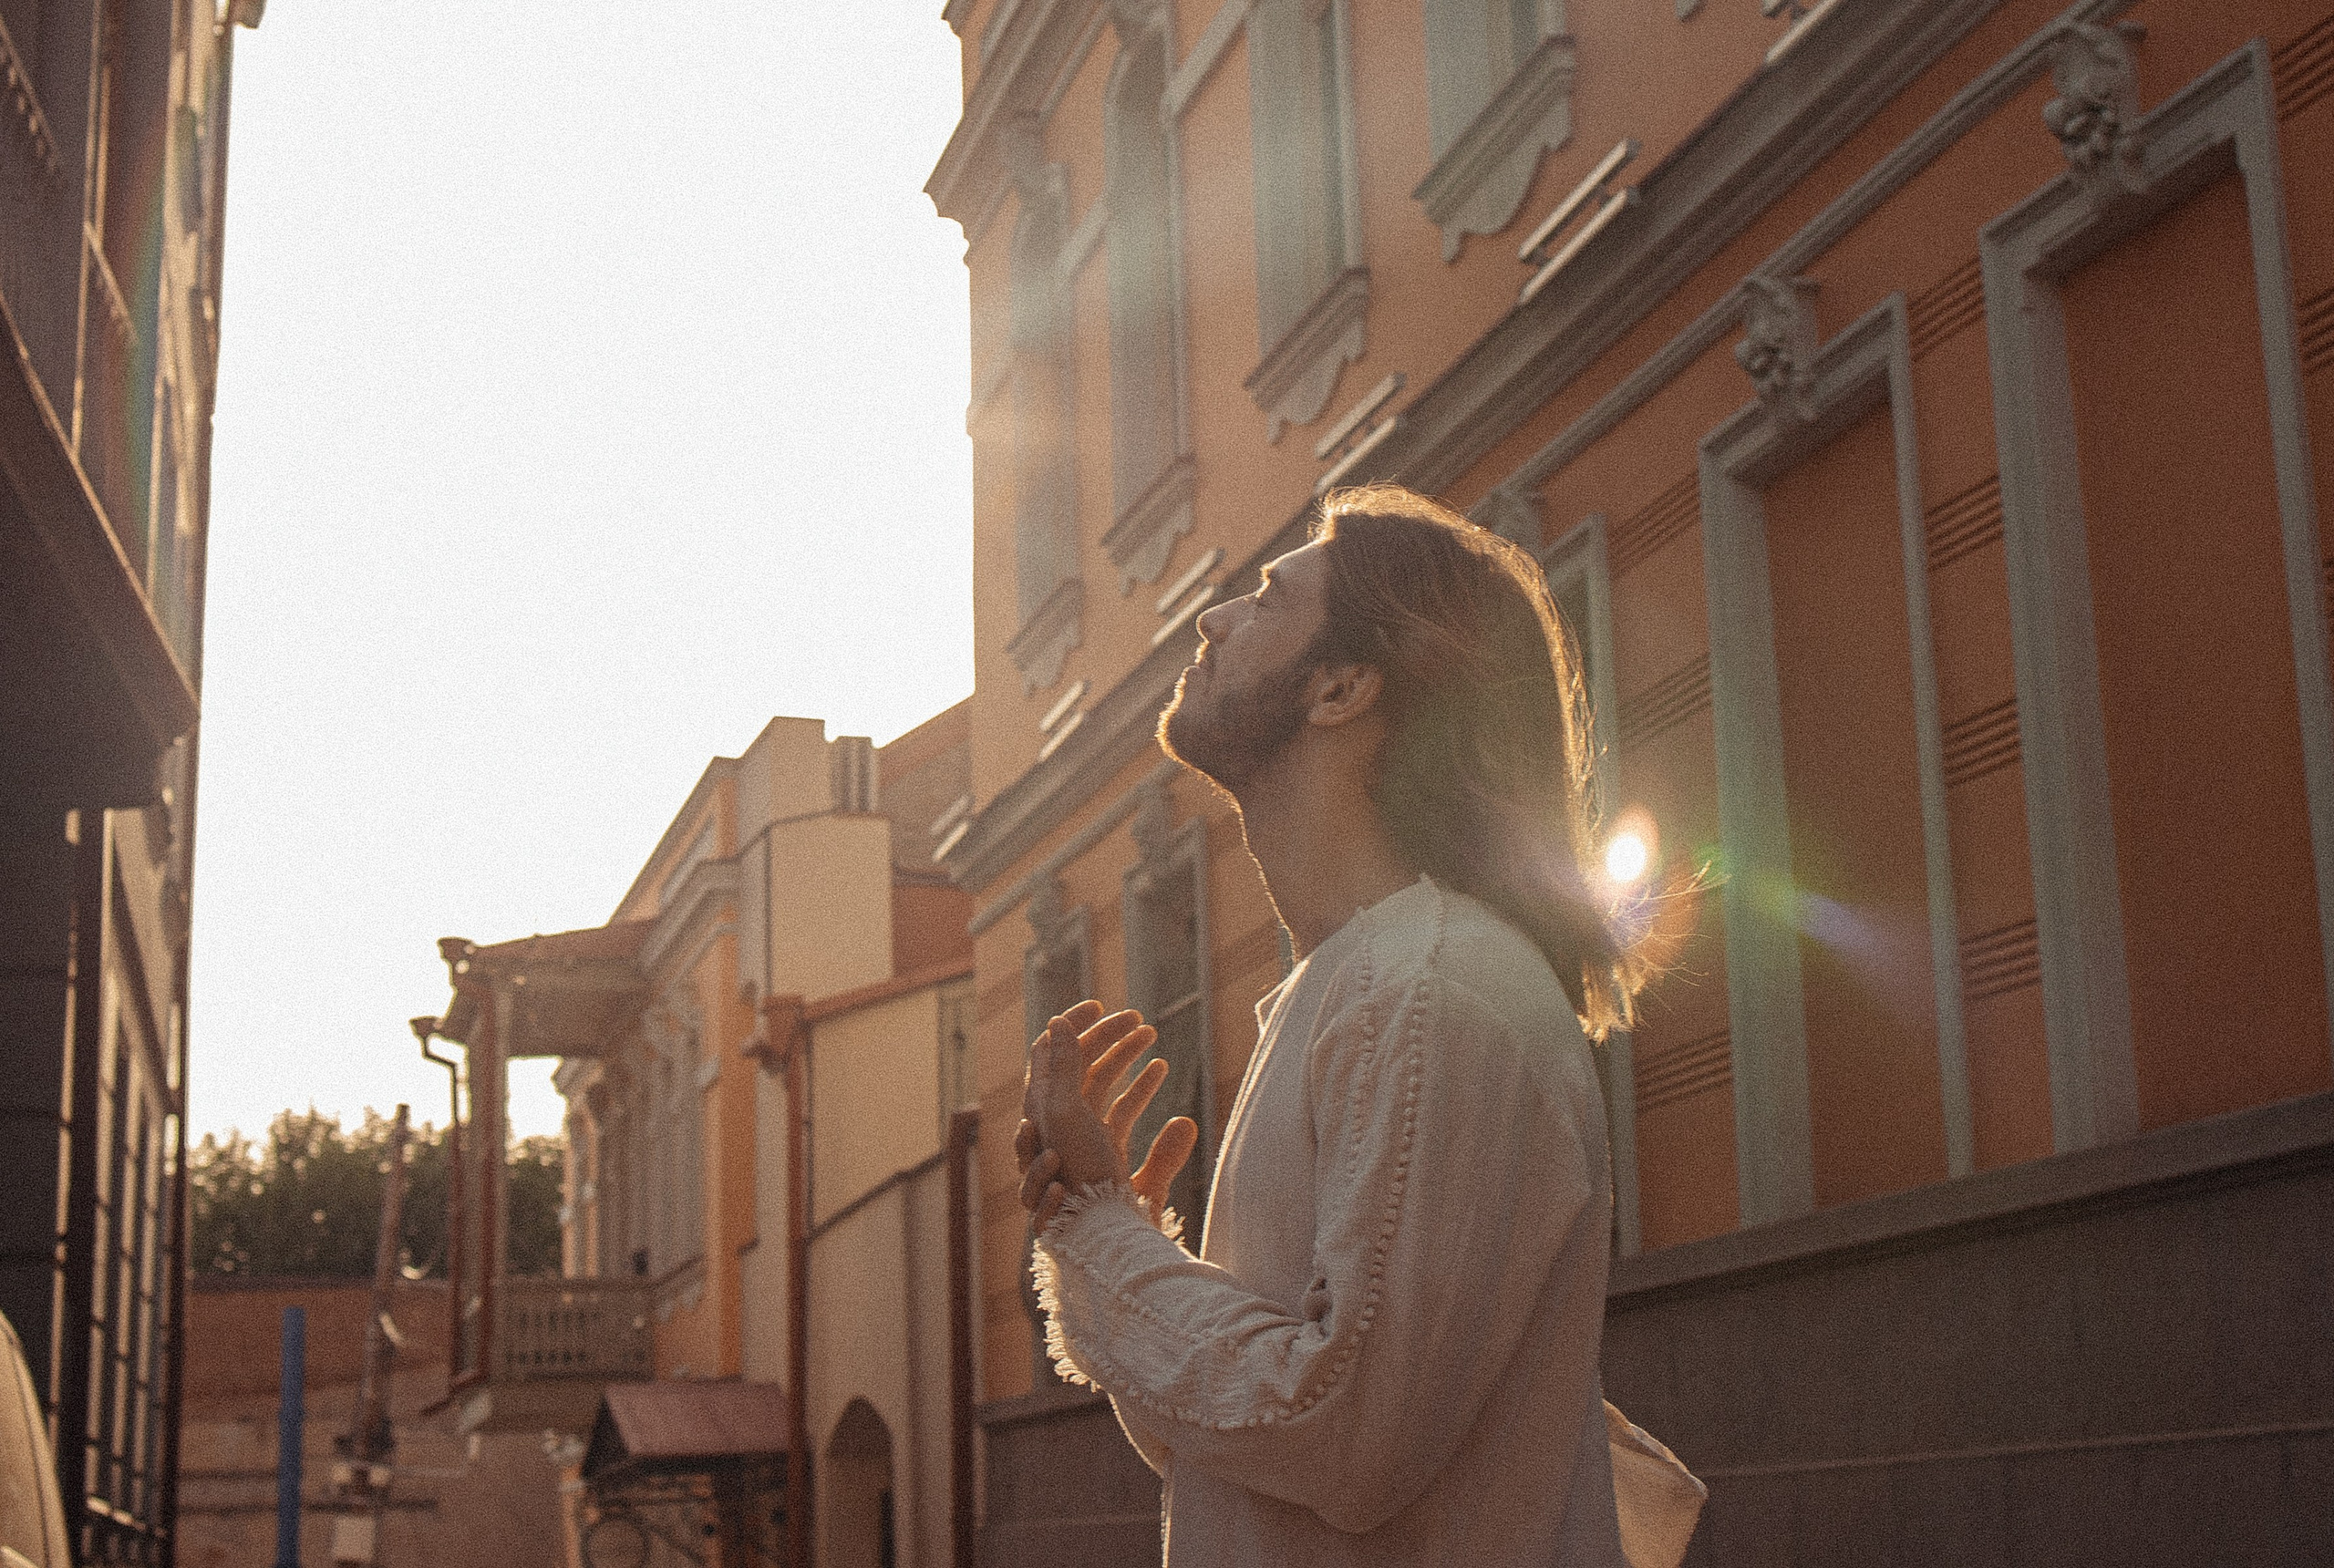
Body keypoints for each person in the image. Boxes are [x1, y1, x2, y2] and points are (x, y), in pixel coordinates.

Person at [1014, 485, 1706, 1566]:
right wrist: (1139, 1251)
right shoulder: (1350, 985)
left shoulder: (1432, 988)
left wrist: (1104, 1235)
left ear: (1340, 685)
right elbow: (1238, 1453)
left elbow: (1345, 1435)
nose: (1212, 619)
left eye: (1266, 599)